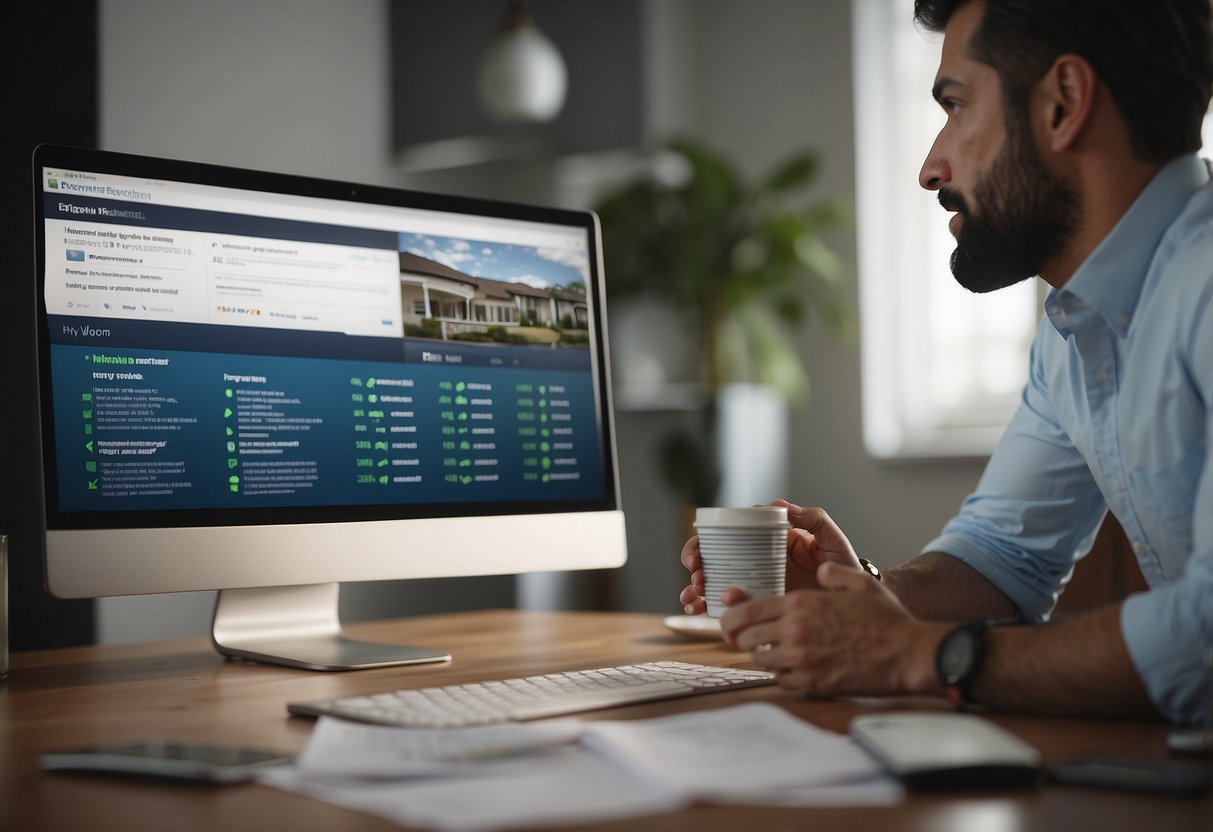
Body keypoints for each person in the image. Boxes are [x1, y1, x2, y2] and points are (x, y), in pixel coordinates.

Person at [679, 0, 1213, 723]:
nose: (931, 168)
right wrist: (853, 592)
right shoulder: (1071, 328)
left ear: (1062, 104)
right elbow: (1001, 559)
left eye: (956, 106)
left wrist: (918, 657)